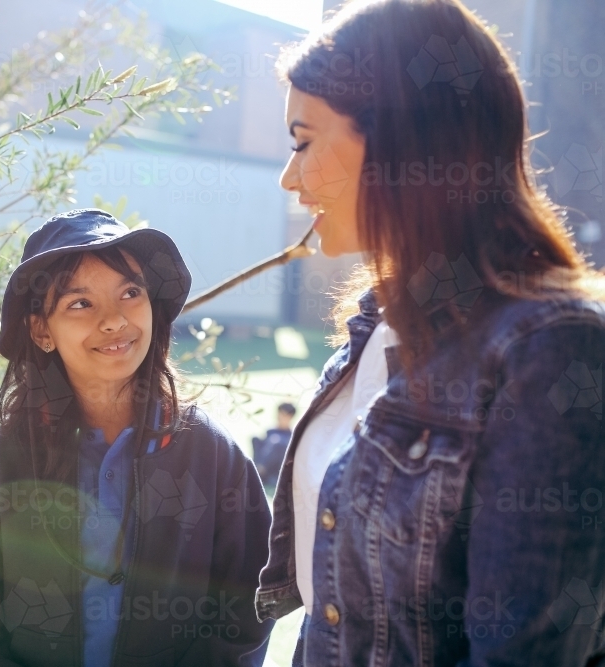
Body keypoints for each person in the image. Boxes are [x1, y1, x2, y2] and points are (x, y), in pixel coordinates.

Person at [253, 1, 605, 665]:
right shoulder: (371, 335)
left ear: (401, 140)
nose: (288, 176)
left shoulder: (549, 349)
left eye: (303, 141)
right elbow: (333, 613)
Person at [0, 209, 272, 666]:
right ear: (41, 330)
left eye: (130, 293)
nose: (114, 320)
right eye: (80, 303)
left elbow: (246, 614)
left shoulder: (213, 456)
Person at [251, 403, 296, 488]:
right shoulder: (270, 431)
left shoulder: (291, 436)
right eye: (279, 413)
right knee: (255, 439)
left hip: (274, 470)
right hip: (262, 463)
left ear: (290, 417)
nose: (279, 417)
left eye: (283, 415)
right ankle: (256, 469)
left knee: (277, 443)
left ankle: (259, 471)